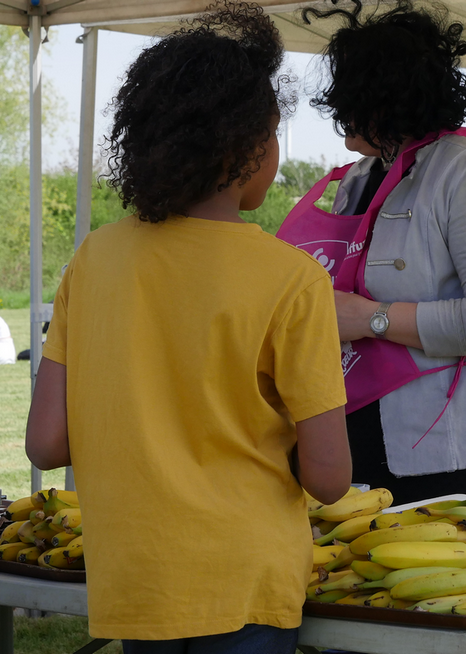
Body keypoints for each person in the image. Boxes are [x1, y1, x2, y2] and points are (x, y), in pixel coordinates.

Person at [24, 3, 352, 651]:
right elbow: (330, 477)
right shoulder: (291, 278)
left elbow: (45, 443)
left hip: (136, 578)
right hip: (246, 579)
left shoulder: (95, 260)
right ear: (247, 145)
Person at [289, 0, 466, 510]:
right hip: (358, 436)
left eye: (347, 95)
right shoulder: (355, 180)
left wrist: (370, 319)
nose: (337, 112)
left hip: (455, 447)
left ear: (383, 97)